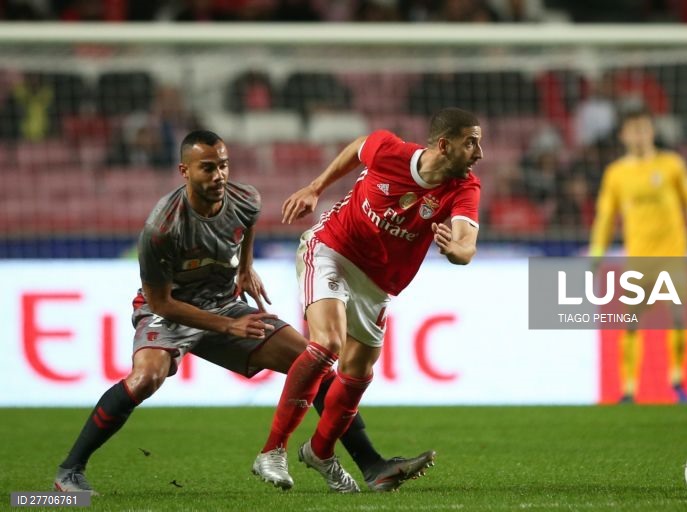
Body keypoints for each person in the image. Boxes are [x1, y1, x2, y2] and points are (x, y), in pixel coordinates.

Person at [52, 130, 436, 495]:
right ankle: (70, 471)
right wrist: (228, 325)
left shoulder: (245, 198)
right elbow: (160, 302)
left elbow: (246, 225)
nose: (218, 174)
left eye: (223, 165)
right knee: (145, 378)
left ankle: (372, 465)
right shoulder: (161, 229)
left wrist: (245, 267)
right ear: (184, 171)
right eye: (207, 167)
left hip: (225, 302)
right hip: (170, 312)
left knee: (314, 365)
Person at [252, 108, 482, 492]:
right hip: (332, 250)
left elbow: (466, 243)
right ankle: (272, 451)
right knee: (326, 344)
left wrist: (457, 250)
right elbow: (359, 147)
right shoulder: (390, 150)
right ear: (444, 144)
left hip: (377, 286)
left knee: (358, 374)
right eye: (471, 142)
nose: (479, 152)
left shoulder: (464, 187)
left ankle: (320, 452)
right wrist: (315, 187)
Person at [588, 107, 687, 404]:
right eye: (633, 129)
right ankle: (629, 389)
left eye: (644, 128)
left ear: (652, 131)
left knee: (678, 315)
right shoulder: (616, 173)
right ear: (623, 135)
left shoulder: (672, 164)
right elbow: (606, 217)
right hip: (639, 259)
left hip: (673, 255)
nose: (640, 135)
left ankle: (677, 382)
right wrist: (596, 252)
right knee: (631, 319)